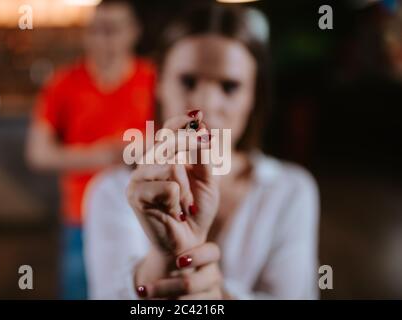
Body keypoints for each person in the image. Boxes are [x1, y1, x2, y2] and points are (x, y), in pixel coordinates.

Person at [84, 4, 319, 300]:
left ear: (253, 97)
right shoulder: (111, 190)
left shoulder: (290, 189)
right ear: (159, 85)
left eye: (229, 86)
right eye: (188, 81)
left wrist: (219, 296)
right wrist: (162, 261)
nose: (205, 102)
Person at [25, 0, 155, 299]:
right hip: (79, 219)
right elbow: (38, 153)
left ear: (133, 32)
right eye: (95, 30)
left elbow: (177, 142)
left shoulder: (156, 81)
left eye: (112, 30)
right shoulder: (63, 84)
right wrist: (106, 154)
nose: (102, 39)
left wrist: (136, 151)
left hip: (143, 217)